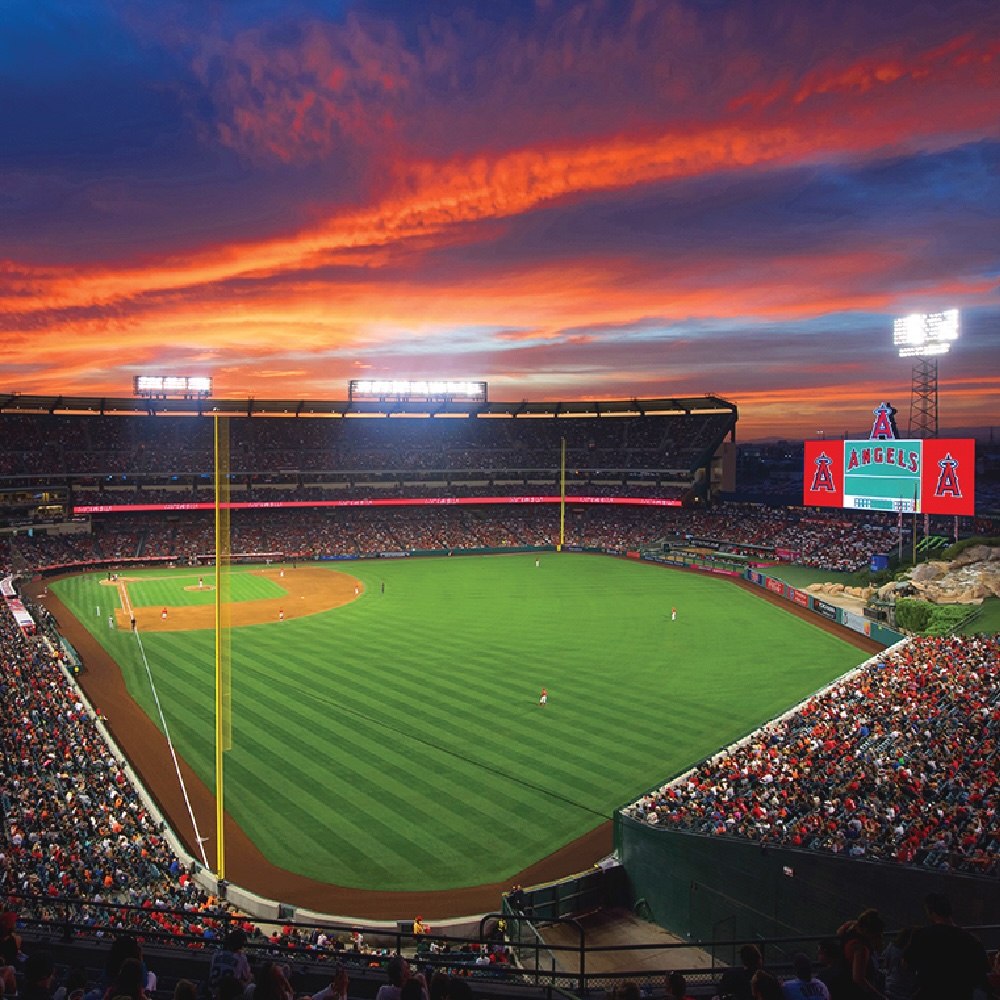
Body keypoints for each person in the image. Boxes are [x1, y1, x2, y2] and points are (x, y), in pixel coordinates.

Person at [903, 893, 990, 1000]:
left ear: (930, 912)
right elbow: (981, 974)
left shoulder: (921, 935)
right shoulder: (971, 939)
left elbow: (907, 964)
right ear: (951, 911)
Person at [837, 908, 885, 999]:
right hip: (857, 993)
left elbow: (839, 932)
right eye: (876, 935)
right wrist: (879, 997)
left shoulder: (850, 929)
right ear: (867, 931)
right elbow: (858, 978)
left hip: (844, 987)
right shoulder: (860, 948)